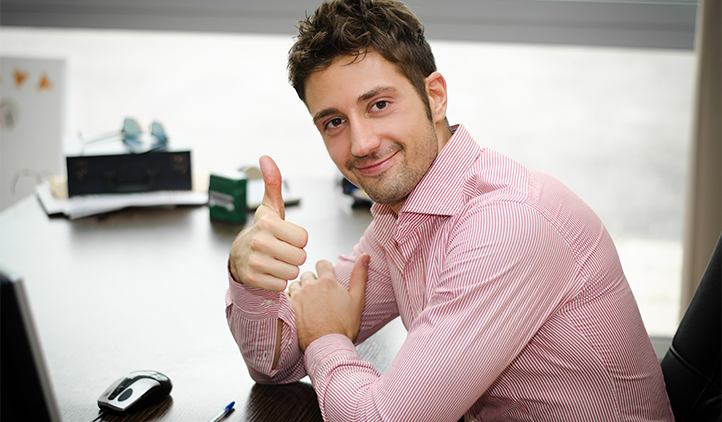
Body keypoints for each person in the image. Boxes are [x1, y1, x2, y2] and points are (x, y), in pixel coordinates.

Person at [225, 0, 674, 421]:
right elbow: (275, 364)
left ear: (435, 96)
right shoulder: (401, 218)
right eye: (334, 122)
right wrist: (247, 277)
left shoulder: (505, 224)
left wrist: (326, 336)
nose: (360, 144)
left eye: (379, 105)